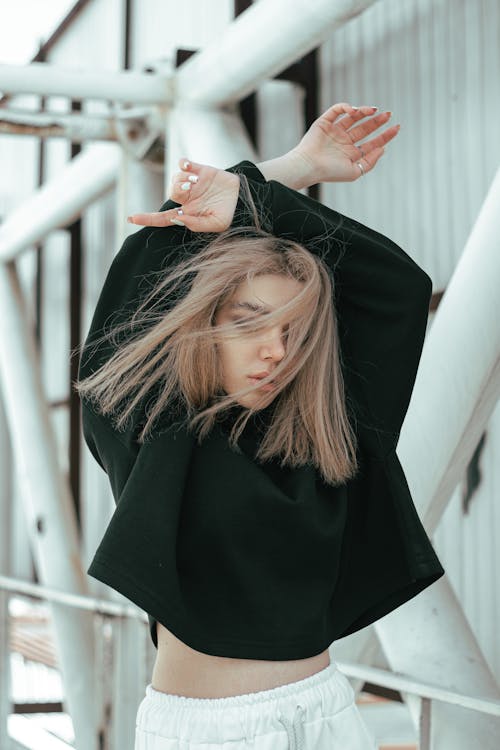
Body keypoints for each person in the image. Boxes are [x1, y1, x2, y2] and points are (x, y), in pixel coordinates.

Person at [75, 102, 445, 749]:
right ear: (204, 326)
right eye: (248, 321)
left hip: (326, 715)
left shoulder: (333, 437)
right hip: (207, 734)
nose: (275, 349)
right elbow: (152, 249)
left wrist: (257, 201)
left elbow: (399, 288)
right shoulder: (154, 435)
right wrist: (281, 176)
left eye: (292, 332)